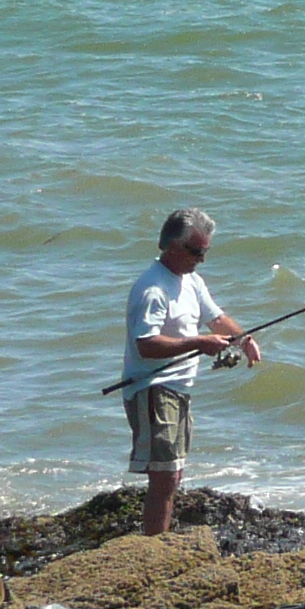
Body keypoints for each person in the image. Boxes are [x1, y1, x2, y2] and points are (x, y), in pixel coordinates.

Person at [121, 207, 261, 536]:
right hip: (152, 387)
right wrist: (198, 343)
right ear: (173, 246)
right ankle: (154, 546)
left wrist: (244, 340)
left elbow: (216, 318)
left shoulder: (191, 281)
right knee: (165, 475)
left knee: (174, 473)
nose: (202, 259)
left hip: (179, 389)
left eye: (206, 251)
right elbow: (146, 344)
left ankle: (159, 539)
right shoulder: (153, 289)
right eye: (197, 252)